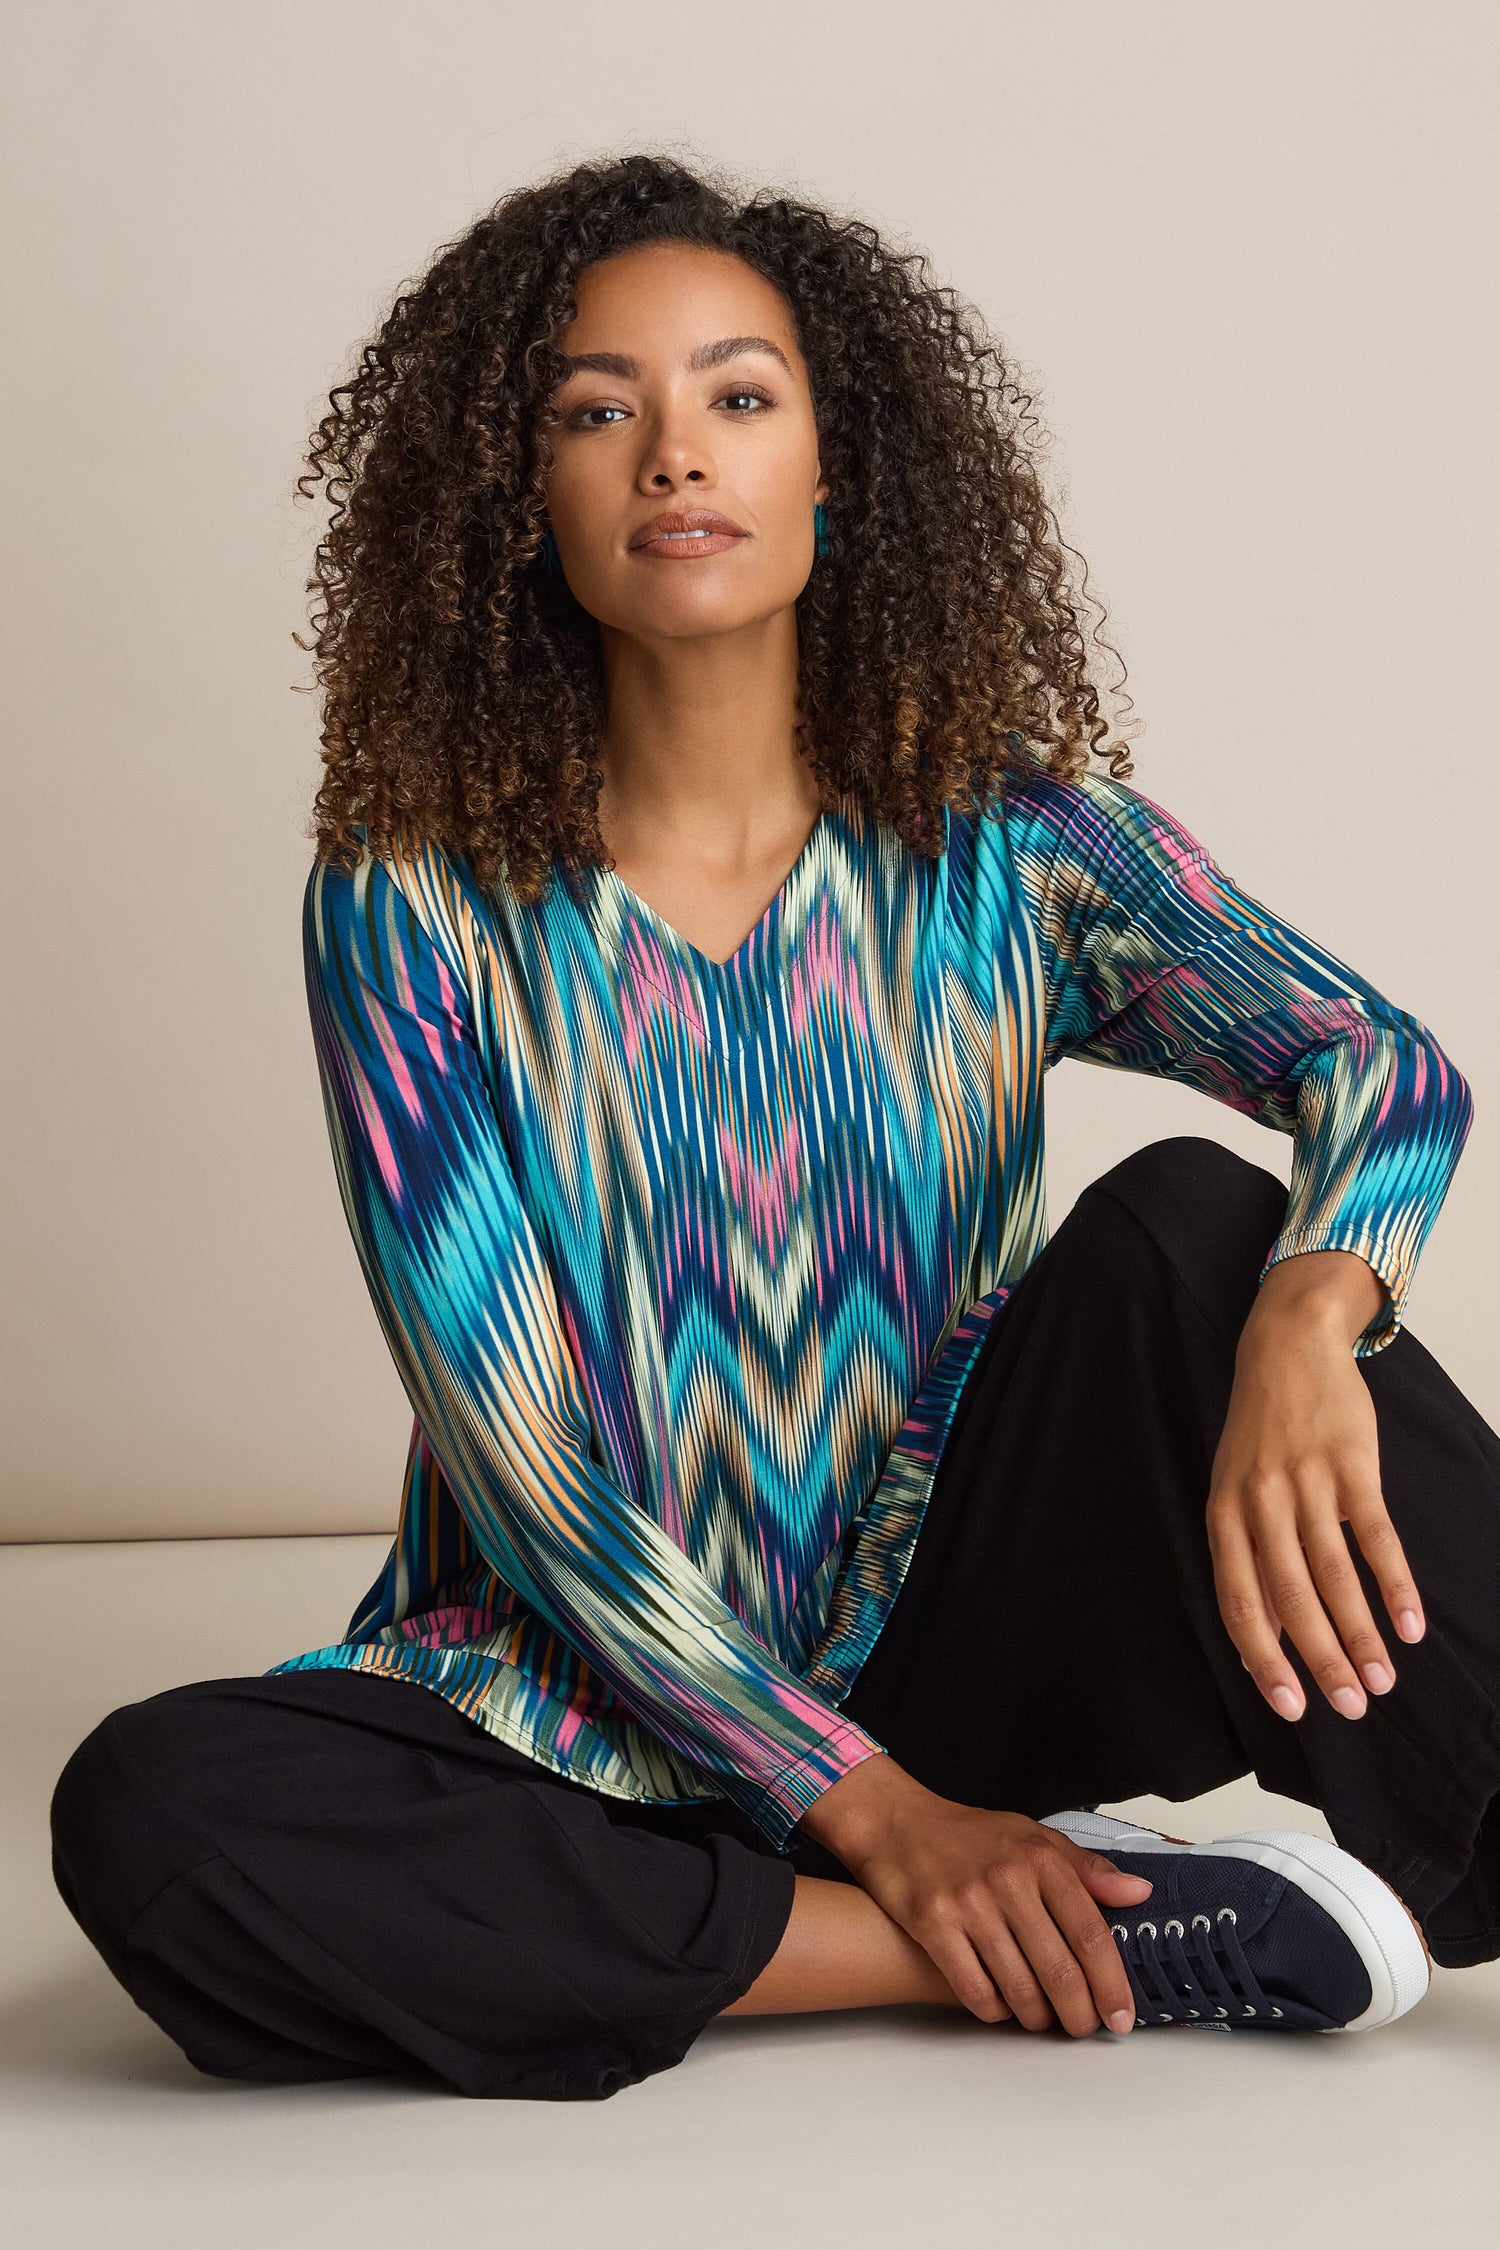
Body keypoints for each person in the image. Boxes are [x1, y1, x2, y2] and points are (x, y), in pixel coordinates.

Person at [51, 153, 1499, 2104]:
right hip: (573, 1717)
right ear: (521, 499)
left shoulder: (1017, 846)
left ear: (838, 468)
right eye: (595, 411)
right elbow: (533, 1471)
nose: (672, 456)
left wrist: (1313, 1314)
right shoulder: (412, 903)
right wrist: (891, 1825)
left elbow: (1377, 1064)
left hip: (952, 1643)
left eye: (739, 396)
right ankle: (1093, 1931)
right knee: (161, 1810)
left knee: (1192, 1229)